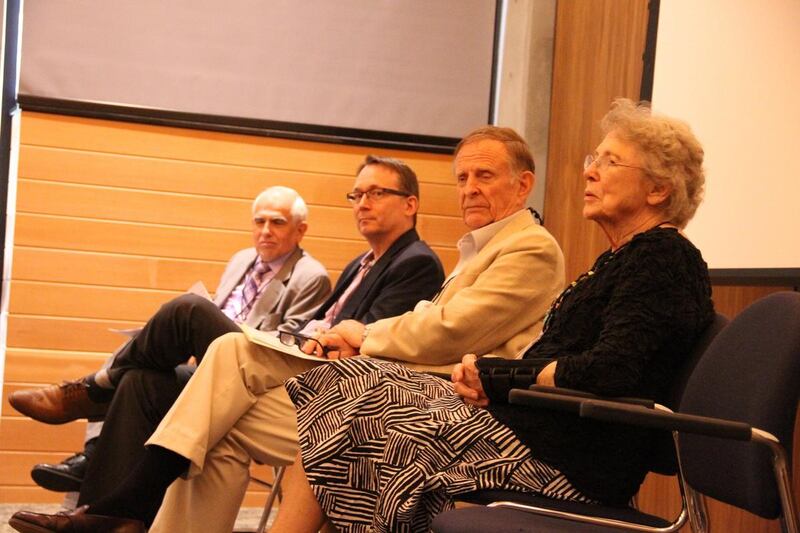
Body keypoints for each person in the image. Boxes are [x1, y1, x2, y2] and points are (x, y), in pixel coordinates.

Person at [8, 125, 566, 533]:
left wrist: (358, 335)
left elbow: (450, 331)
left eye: (484, 176)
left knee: (215, 335)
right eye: (462, 177)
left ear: (523, 185)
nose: (469, 188)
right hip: (371, 386)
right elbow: (420, 322)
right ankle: (124, 503)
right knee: (214, 419)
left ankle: (119, 490)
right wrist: (343, 333)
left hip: (432, 410)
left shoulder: (529, 249)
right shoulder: (470, 252)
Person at [261, 98, 716, 533]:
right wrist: (490, 380)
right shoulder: (621, 258)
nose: (590, 171)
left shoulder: (663, 257)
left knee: (362, 412)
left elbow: (610, 370)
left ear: (658, 189)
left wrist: (496, 377)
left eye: (610, 162)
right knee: (348, 381)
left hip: (565, 463)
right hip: (531, 432)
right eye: (592, 159)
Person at [8, 185, 331, 490]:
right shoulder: (241, 259)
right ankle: (96, 462)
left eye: (277, 223)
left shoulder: (310, 275)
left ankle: (89, 398)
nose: (265, 231)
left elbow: (289, 344)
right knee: (136, 372)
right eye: (259, 221)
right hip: (211, 358)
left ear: (300, 230)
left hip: (251, 369)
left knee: (186, 312)